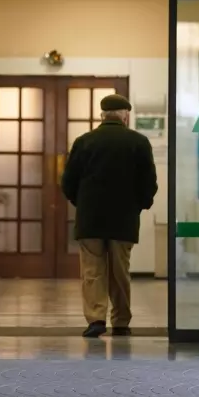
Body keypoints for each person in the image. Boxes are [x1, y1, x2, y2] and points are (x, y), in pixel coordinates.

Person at [61, 94, 158, 338]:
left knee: (92, 271)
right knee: (120, 271)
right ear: (125, 115)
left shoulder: (84, 142)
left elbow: (68, 182)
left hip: (90, 218)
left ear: (102, 115)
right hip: (123, 220)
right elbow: (149, 183)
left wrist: (80, 202)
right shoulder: (138, 142)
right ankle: (121, 321)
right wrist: (140, 204)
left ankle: (96, 319)